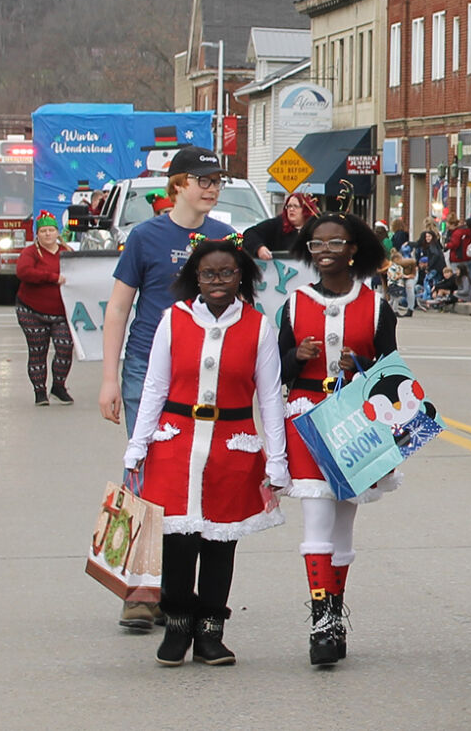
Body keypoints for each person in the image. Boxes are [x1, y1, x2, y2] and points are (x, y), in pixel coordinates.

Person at [121, 235, 287, 667]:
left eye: (227, 272)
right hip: (176, 444)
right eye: (209, 273)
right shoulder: (173, 320)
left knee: (219, 547)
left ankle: (211, 632)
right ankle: (178, 625)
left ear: (241, 277)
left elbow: (270, 398)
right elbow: (154, 387)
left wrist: (277, 458)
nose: (217, 281)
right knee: (177, 545)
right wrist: (137, 445)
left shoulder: (258, 326)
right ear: (195, 277)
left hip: (232, 449)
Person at [97, 145, 237, 632]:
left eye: (217, 179)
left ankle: (180, 588)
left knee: (200, 474)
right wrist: (110, 377)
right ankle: (138, 588)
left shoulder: (225, 237)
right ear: (177, 184)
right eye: (203, 180)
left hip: (206, 370)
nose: (212, 187)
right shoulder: (145, 237)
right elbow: (118, 308)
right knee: (146, 467)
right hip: (145, 368)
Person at [277, 211, 397, 666]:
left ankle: (334, 617)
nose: (325, 252)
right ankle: (321, 620)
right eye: (316, 245)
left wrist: (361, 366)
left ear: (354, 249)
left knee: (344, 523)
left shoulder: (377, 306)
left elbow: (392, 375)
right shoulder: (292, 303)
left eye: (335, 244)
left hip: (354, 420)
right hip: (307, 416)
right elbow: (275, 372)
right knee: (316, 520)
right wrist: (296, 355)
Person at [14, 211, 74, 406]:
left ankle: (59, 386)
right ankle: (39, 391)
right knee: (38, 350)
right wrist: (51, 277)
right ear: (37, 235)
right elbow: (24, 272)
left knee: (65, 347)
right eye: (43, 231)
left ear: (58, 232)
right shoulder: (30, 253)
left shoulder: (68, 252)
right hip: (32, 310)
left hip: (61, 312)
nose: (48, 234)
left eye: (51, 230)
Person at [242, 192, 317, 261]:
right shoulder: (277, 224)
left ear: (306, 210)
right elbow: (250, 233)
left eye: (296, 206)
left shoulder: (315, 227)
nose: (291, 209)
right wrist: (259, 248)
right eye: (289, 206)